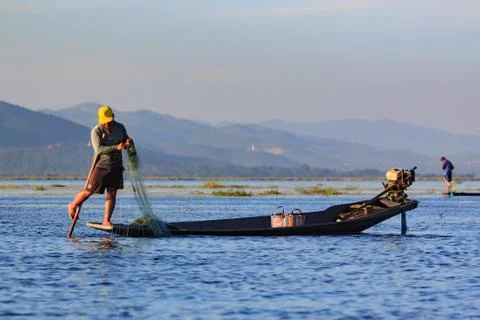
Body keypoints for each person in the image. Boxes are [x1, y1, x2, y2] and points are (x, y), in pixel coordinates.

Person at [68, 105, 133, 226]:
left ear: (112, 118)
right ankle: (73, 205)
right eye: (104, 122)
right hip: (101, 166)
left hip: (116, 165)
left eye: (109, 122)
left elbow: (125, 139)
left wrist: (128, 141)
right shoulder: (96, 131)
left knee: (112, 192)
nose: (107, 125)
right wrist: (116, 147)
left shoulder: (120, 127)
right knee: (89, 191)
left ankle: (106, 220)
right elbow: (98, 149)